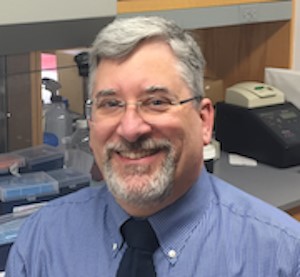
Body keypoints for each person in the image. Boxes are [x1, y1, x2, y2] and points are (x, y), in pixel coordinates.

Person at [5, 16, 300, 276]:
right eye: (110, 103)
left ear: (204, 122)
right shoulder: (42, 242)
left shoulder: (281, 258)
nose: (131, 128)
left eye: (157, 102)